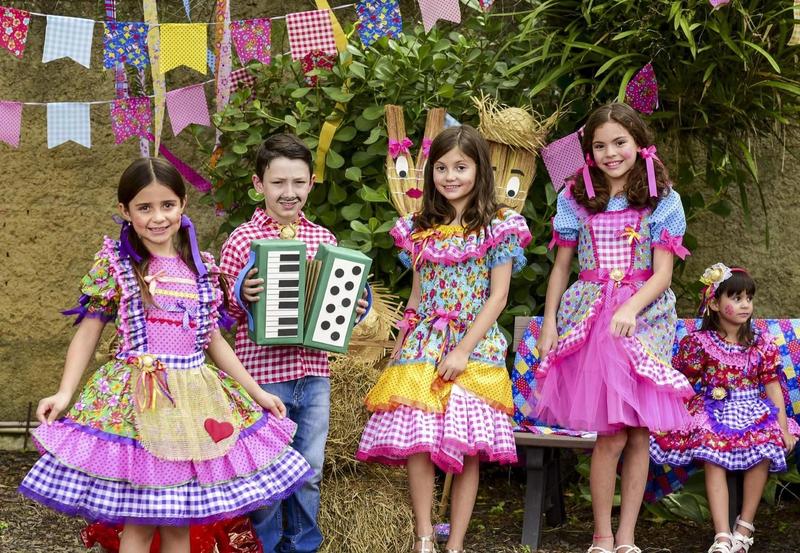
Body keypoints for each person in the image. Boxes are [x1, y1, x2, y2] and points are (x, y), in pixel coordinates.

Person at [19, 157, 313, 553]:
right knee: (139, 525)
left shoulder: (203, 269)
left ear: (183, 204)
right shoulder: (118, 266)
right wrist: (64, 393)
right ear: (125, 211)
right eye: (144, 207)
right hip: (140, 402)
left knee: (179, 524)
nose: (157, 217)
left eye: (167, 205)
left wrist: (256, 392)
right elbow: (88, 333)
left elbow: (214, 340)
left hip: (192, 405)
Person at [357, 125, 531, 553]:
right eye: (441, 168)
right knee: (419, 438)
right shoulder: (420, 227)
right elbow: (417, 293)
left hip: (474, 344)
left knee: (467, 444)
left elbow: (499, 296)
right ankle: (423, 537)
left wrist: (463, 350)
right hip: (423, 341)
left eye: (461, 167)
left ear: (480, 171)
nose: (450, 176)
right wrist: (400, 340)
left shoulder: (498, 226)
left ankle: (454, 543)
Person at [532, 103, 694, 553]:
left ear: (640, 144)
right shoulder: (575, 198)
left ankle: (627, 536)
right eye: (600, 145)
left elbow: (662, 273)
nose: (610, 152)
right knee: (612, 431)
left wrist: (632, 307)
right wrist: (549, 322)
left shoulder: (663, 198)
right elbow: (561, 268)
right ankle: (602, 535)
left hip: (645, 317)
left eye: (619, 142)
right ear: (589, 153)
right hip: (591, 316)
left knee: (639, 430)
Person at [219, 133, 367, 553]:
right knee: (263, 472)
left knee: (309, 470)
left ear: (312, 182)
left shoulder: (325, 240)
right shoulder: (241, 240)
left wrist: (350, 310)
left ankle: (302, 547)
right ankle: (261, 547)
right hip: (262, 378)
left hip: (314, 376)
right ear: (258, 184)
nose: (289, 192)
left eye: (298, 183)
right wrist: (240, 297)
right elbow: (221, 320)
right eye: (278, 183)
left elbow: (337, 310)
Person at [650, 264, 800, 553]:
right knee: (711, 451)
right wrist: (669, 417)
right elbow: (685, 384)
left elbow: (771, 387)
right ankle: (722, 534)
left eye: (748, 298)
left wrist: (782, 427)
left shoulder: (761, 343)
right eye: (736, 298)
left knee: (767, 443)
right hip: (712, 410)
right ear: (715, 304)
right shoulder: (699, 343)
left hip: (753, 409)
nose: (745, 304)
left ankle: (744, 526)